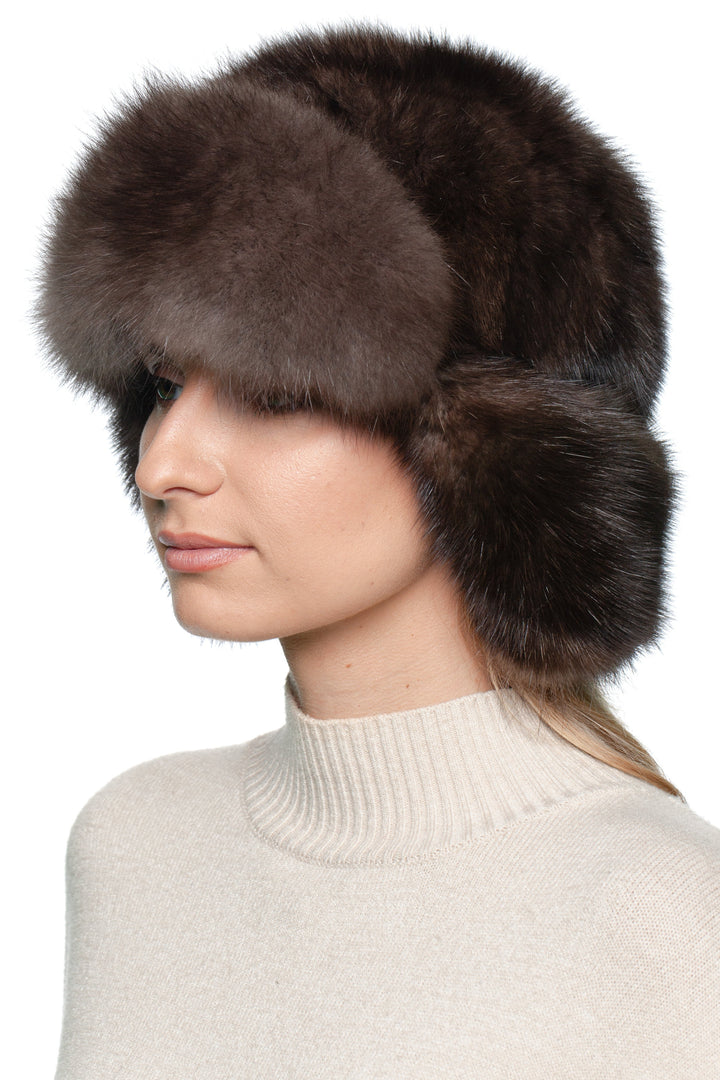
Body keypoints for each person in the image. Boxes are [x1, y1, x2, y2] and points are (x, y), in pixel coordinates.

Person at [37, 24, 720, 1078]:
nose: (161, 463)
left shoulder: (665, 913)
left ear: (483, 448)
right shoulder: (133, 844)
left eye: (275, 393)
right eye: (165, 383)